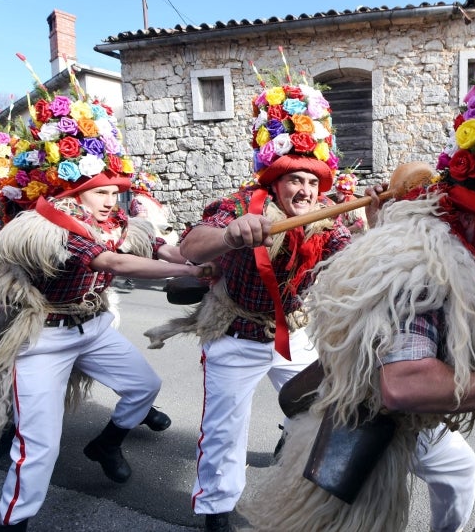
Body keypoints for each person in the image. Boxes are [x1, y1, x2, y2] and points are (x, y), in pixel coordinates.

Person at [241, 45, 475, 532]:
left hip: (408, 421)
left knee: (458, 469)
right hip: (369, 419)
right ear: (468, 218)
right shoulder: (423, 272)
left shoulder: (438, 254)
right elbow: (403, 384)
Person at [0, 91, 207, 532]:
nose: (111, 199)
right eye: (101, 191)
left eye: (116, 191)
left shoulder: (116, 221)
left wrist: (190, 257)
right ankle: (13, 522)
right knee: (39, 445)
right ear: (77, 189)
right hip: (41, 339)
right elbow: (111, 262)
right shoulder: (53, 221)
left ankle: (107, 444)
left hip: (94, 327)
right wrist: (192, 269)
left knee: (144, 387)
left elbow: (157, 245)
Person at [144, 67, 350, 532]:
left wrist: (378, 219)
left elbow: (360, 260)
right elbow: (193, 245)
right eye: (295, 180)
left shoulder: (326, 218)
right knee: (224, 431)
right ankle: (216, 514)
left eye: (313, 182)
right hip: (234, 332)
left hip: (293, 336)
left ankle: (304, 487)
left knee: (321, 410)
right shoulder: (241, 204)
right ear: (275, 181)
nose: (305, 191)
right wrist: (230, 235)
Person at [330, 170, 367, 234]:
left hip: (356, 238)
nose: (336, 195)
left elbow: (360, 223)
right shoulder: (340, 205)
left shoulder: (355, 206)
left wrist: (344, 231)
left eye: (339, 193)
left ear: (346, 194)